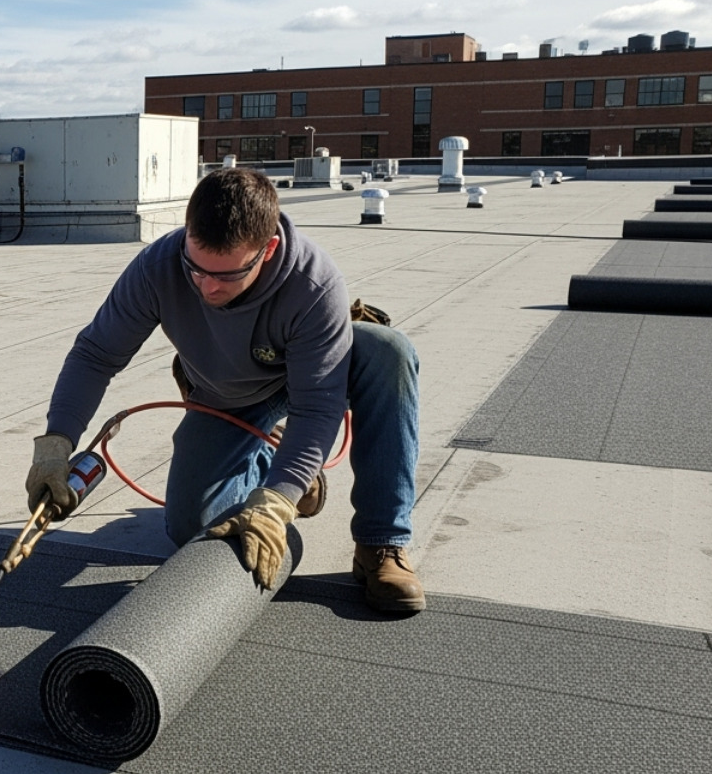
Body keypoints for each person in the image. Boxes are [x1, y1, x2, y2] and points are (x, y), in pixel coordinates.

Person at [26, 166, 425, 613]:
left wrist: (275, 502)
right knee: (193, 528)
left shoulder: (313, 284)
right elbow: (95, 355)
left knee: (389, 353)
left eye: (228, 275)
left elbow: (317, 407)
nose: (208, 286)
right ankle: (285, 462)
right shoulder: (158, 268)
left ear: (268, 248)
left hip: (314, 377)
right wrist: (57, 443)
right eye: (197, 269)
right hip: (227, 394)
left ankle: (381, 542)